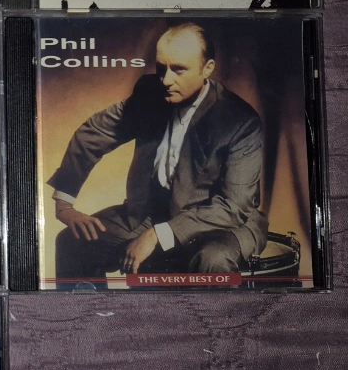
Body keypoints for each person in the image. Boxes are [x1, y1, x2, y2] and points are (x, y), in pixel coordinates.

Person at [48, 23, 268, 285]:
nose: (166, 80)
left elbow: (233, 207)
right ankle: (91, 311)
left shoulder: (240, 120)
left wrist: (157, 235)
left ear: (207, 68)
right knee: (72, 242)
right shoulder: (149, 93)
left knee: (213, 261)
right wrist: (64, 204)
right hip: (151, 214)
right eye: (161, 67)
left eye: (179, 69)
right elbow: (94, 134)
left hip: (219, 225)